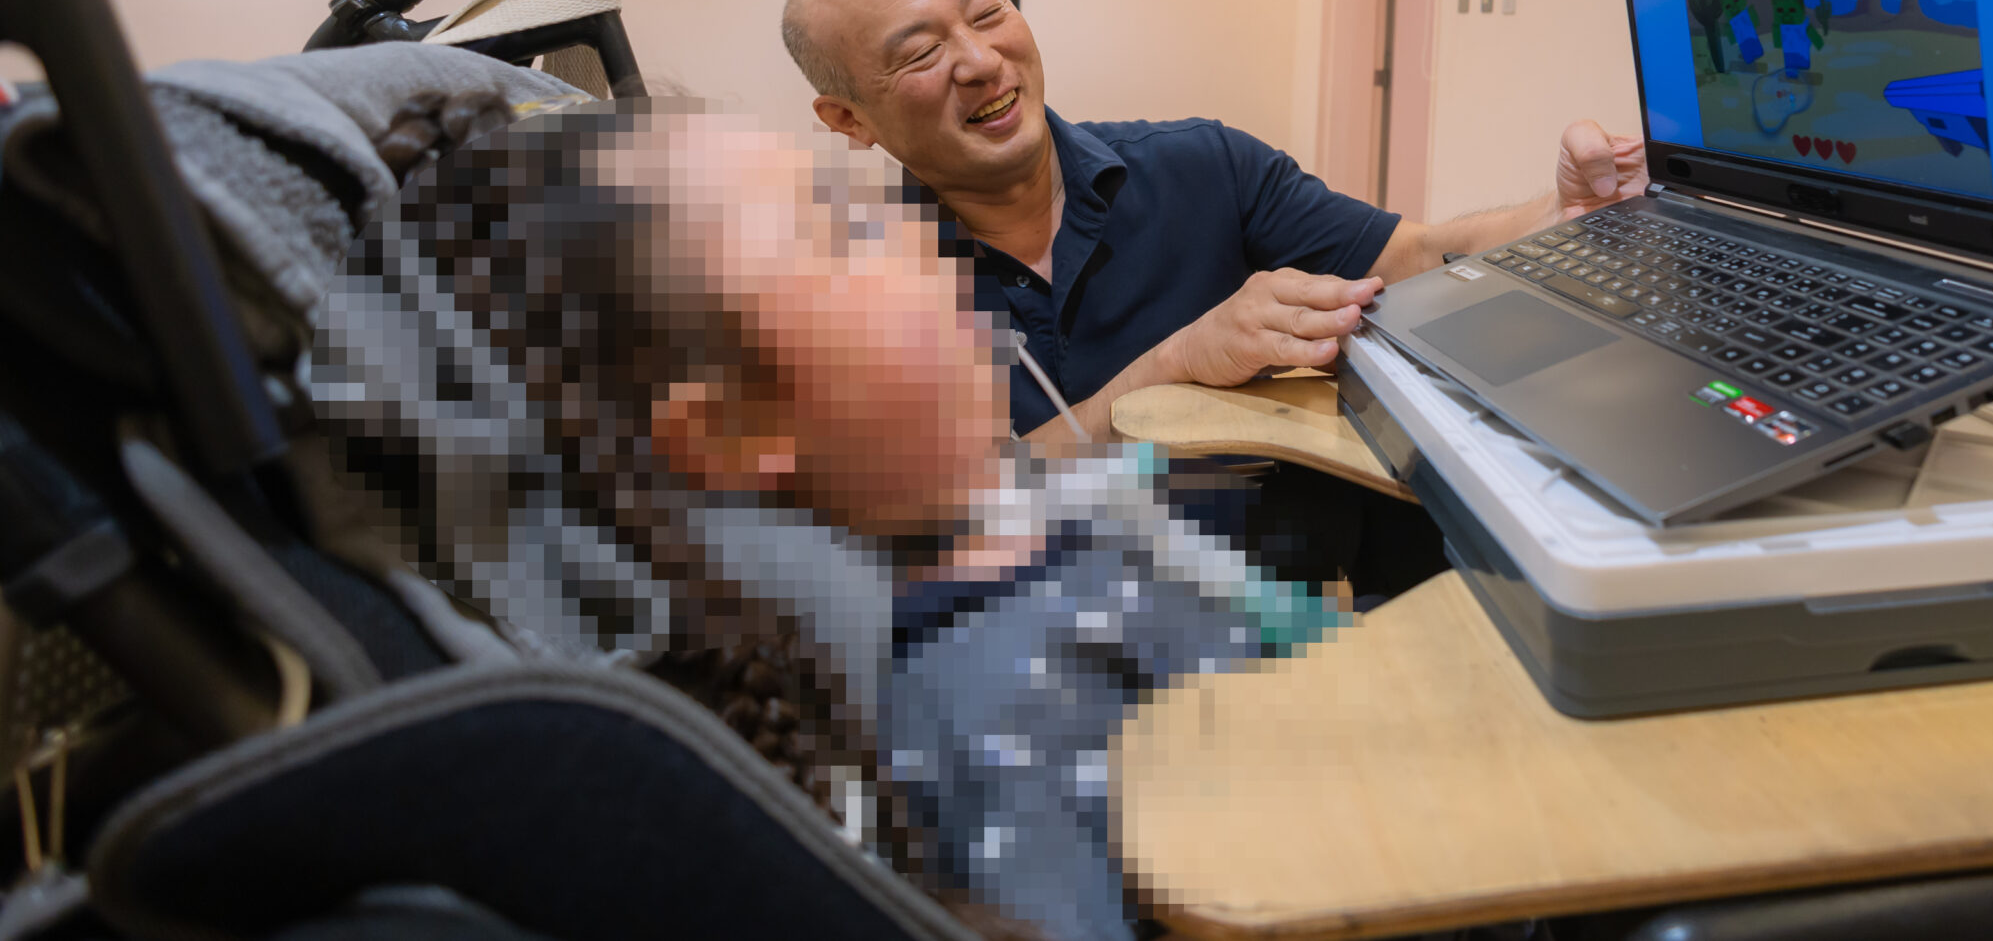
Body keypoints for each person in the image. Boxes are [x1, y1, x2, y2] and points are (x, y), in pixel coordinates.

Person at [312, 96, 1339, 941]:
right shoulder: (987, 711)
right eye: (844, 230)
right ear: (728, 430)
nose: (915, 231)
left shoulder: (1016, 532)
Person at [778, 0, 1649, 451]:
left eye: (988, 11)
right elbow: (953, 523)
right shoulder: (842, 294)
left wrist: (1561, 215)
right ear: (847, 117)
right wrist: (1174, 367)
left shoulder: (1204, 166)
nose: (980, 60)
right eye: (921, 52)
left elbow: (1416, 255)